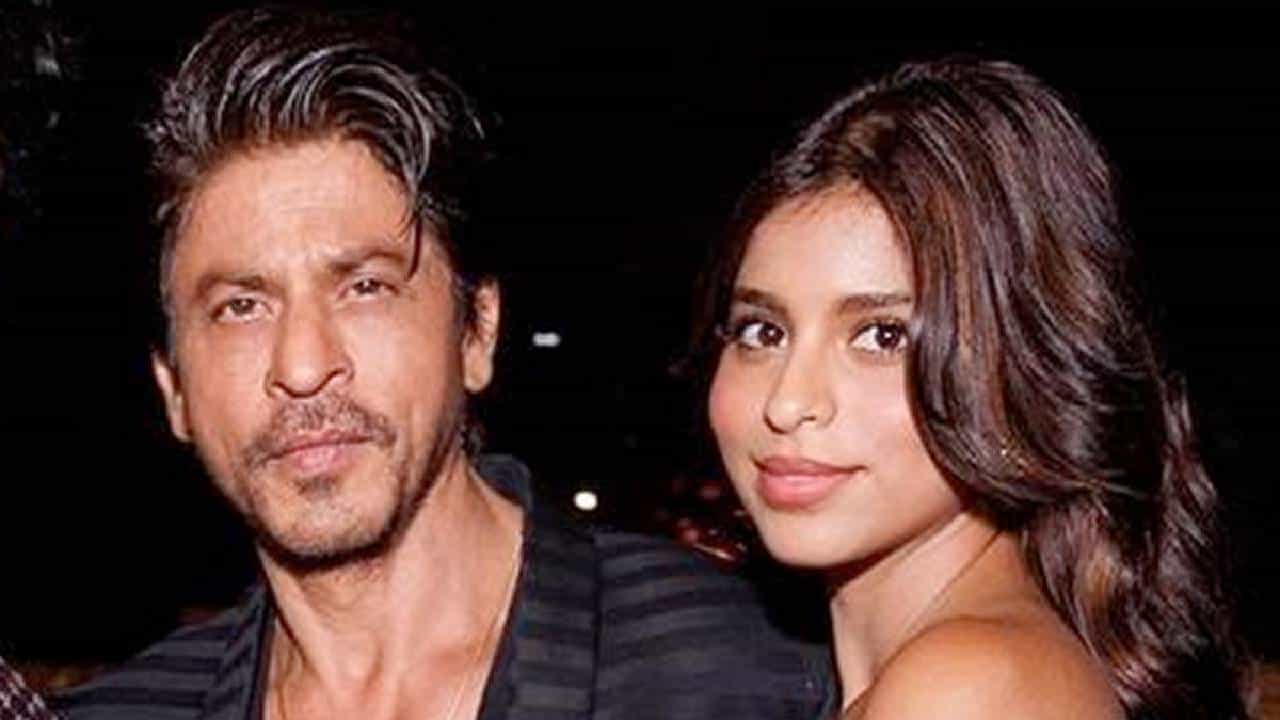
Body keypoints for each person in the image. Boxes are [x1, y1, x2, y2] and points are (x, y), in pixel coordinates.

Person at [52, 7, 832, 720]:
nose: (303, 364)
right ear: (173, 389)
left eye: (365, 287)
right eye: (240, 307)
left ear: (477, 332)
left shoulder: (746, 676)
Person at [692, 58, 1254, 719]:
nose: (787, 403)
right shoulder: (958, 667)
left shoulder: (963, 687)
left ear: (1020, 369)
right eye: (762, 331)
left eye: (882, 337)